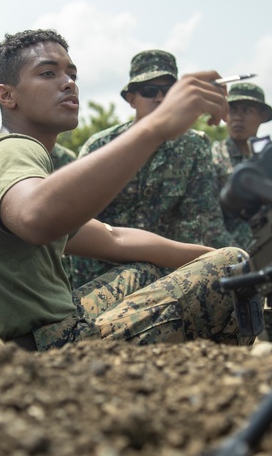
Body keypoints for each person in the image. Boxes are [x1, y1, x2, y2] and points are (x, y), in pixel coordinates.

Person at [0, 29, 253, 350]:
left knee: (149, 271)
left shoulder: (29, 166)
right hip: (20, 355)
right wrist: (157, 127)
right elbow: (37, 217)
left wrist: (220, 259)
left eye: (71, 74)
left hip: (35, 339)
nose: (68, 82)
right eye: (48, 73)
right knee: (227, 270)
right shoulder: (10, 148)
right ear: (7, 96)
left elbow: (115, 239)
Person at [69, 50, 236, 287]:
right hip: (99, 279)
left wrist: (232, 258)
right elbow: (75, 221)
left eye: (167, 91)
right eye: (148, 91)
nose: (159, 98)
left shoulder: (194, 147)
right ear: (131, 98)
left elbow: (203, 220)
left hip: (166, 280)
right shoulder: (100, 146)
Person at [211, 82, 272, 247]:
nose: (238, 117)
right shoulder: (213, 158)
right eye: (232, 110)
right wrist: (239, 257)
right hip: (232, 256)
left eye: (247, 110)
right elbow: (210, 222)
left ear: (263, 115)